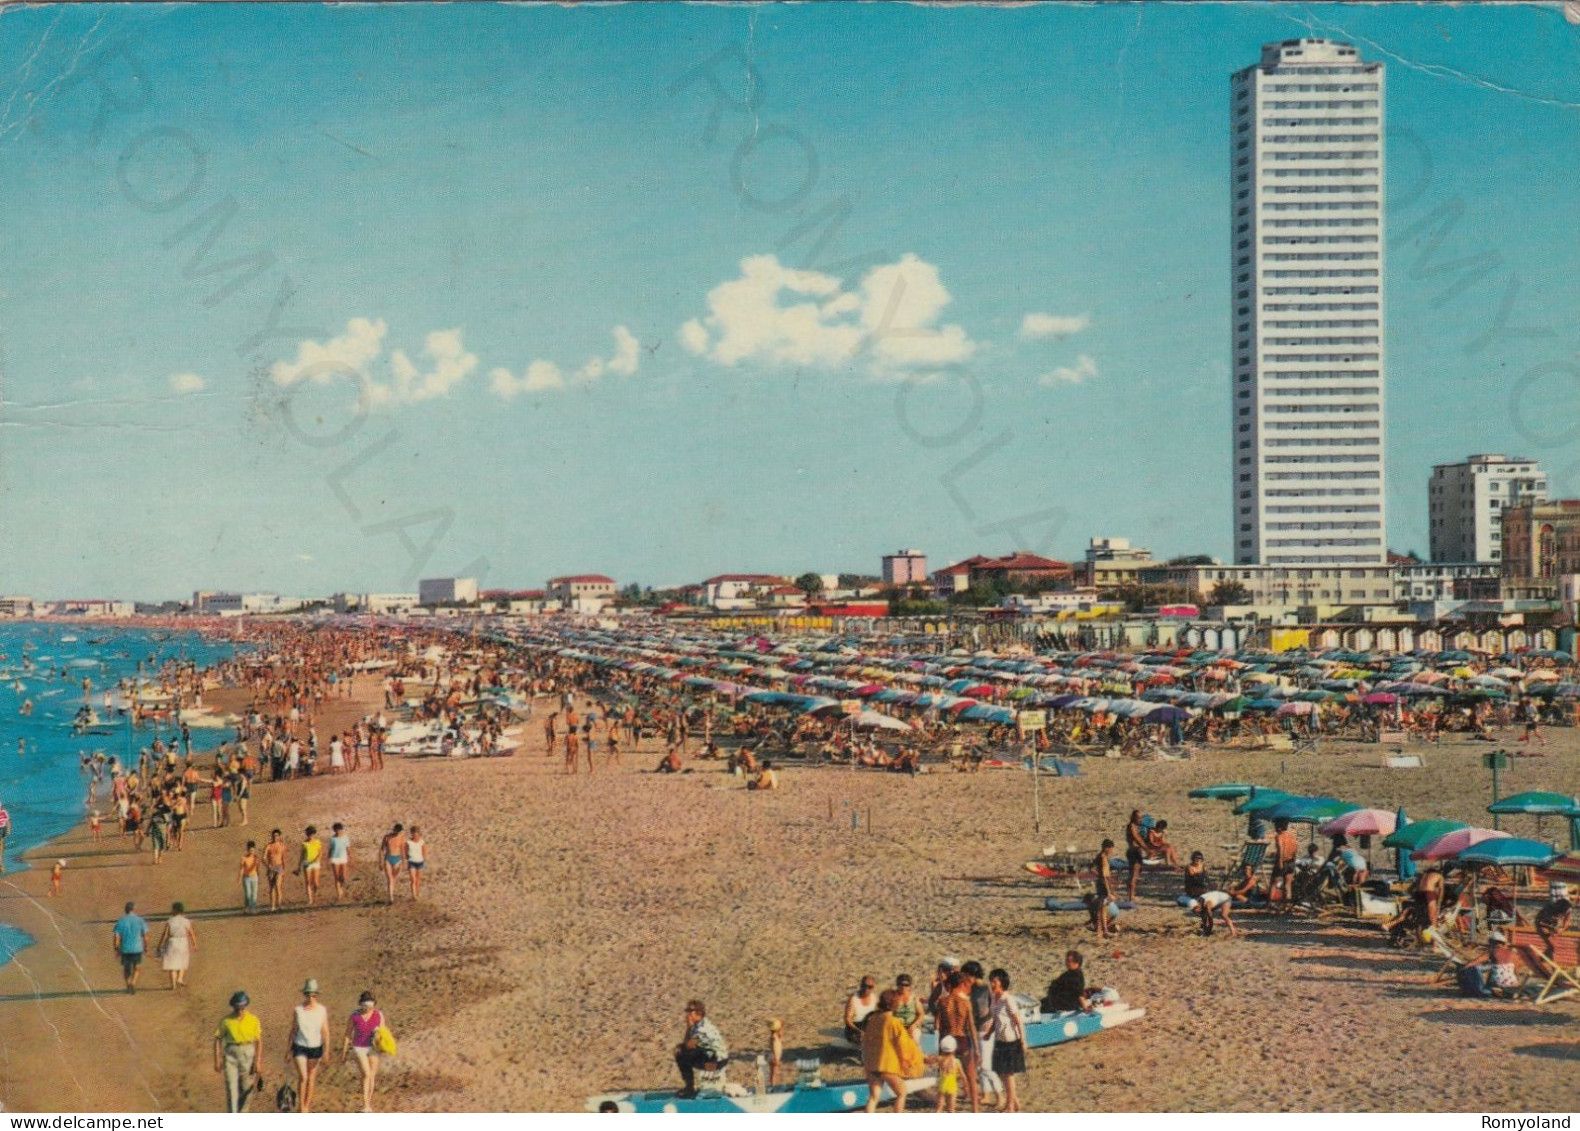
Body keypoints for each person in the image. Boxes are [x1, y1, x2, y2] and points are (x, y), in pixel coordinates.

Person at [860, 988, 925, 1113]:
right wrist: (917, 1058)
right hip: (887, 1064)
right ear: (894, 1004)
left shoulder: (873, 1019)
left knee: (873, 1097)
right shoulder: (893, 1022)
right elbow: (903, 1045)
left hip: (872, 1063)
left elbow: (866, 1041)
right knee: (901, 1092)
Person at [935, 971, 980, 1112]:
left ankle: (945, 1108)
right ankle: (975, 1109)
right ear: (961, 984)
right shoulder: (966, 1003)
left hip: (948, 1040)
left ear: (950, 985)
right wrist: (977, 1048)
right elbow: (971, 1026)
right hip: (962, 1039)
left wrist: (939, 1048)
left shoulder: (942, 1002)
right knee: (971, 1076)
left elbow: (938, 1026)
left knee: (945, 1078)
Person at [342, 991, 390, 1113]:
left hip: (373, 1047)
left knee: (371, 1076)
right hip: (359, 1047)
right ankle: (365, 1105)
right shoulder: (354, 1016)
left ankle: (367, 1104)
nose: (368, 1008)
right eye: (365, 1006)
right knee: (366, 1074)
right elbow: (347, 1034)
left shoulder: (379, 1014)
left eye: (370, 1006)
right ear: (361, 1004)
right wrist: (344, 1051)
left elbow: (383, 1032)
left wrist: (383, 1044)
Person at [986, 969, 1027, 1113]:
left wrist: (1023, 1040)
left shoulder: (1007, 999)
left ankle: (1010, 1106)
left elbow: (1017, 1020)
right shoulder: (994, 998)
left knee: (1008, 1075)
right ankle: (1014, 1101)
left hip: (1010, 1040)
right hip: (999, 1040)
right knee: (1001, 1072)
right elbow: (996, 1019)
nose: (992, 984)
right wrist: (989, 1033)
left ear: (1002, 983)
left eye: (995, 981)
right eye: (991, 980)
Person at [215, 991, 262, 1112]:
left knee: (247, 1089)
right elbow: (217, 1039)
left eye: (242, 1008)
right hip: (231, 1056)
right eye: (237, 1008)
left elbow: (259, 1041)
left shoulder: (253, 1020)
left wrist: (257, 1061)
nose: (240, 1011)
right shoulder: (226, 1021)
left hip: (248, 1055)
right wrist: (217, 1059)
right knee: (232, 1089)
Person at [673, 999, 728, 1099]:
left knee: (681, 1053)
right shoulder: (699, 1024)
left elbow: (688, 1045)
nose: (687, 1014)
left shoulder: (703, 1029)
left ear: (699, 1013)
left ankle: (689, 1088)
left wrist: (688, 1027)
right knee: (681, 1051)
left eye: (690, 1011)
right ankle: (689, 1087)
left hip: (717, 1063)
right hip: (712, 1056)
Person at [288, 979, 330, 1112]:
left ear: (316, 995)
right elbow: (294, 1030)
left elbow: (325, 1031)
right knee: (303, 1076)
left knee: (311, 1077)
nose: (311, 998)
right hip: (300, 1045)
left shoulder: (322, 1010)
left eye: (313, 995)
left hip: (315, 1047)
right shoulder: (298, 1010)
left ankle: (307, 1106)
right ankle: (301, 1107)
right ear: (304, 995)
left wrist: (326, 1051)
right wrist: (288, 1050)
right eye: (308, 995)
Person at [157, 901, 197, 990]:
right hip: (183, 941)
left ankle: (173, 985)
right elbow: (191, 933)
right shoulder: (186, 921)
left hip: (172, 942)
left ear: (174, 910)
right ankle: (180, 978)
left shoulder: (170, 921)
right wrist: (195, 944)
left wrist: (160, 945)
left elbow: (165, 934)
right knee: (182, 960)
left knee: (172, 964)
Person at [113, 900, 149, 994]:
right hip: (137, 948)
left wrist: (116, 948)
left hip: (125, 948)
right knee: (137, 967)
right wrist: (146, 946)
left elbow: (116, 936)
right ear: (133, 909)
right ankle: (133, 983)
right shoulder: (140, 920)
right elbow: (145, 935)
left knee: (126, 968)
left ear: (125, 910)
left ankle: (128, 984)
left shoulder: (121, 921)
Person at [1269, 818, 1299, 907]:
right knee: (1288, 884)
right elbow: (1295, 850)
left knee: (1274, 882)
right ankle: (1288, 904)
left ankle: (1269, 903)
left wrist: (1280, 862)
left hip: (1283, 861)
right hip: (1291, 862)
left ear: (1279, 827)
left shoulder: (1279, 836)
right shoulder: (1293, 837)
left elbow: (1281, 849)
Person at [1535, 889, 1573, 959]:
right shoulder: (1548, 909)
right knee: (1552, 946)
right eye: (1561, 914)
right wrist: (1552, 929)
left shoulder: (1568, 909)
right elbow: (1540, 922)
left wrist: (1562, 929)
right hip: (1542, 924)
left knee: (1553, 946)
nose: (1562, 916)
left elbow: (1567, 921)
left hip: (1553, 925)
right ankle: (1552, 967)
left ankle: (1542, 959)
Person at [1093, 840, 1117, 941]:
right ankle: (1100, 931)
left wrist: (1097, 876)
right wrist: (1109, 892)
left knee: (1104, 909)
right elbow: (1104, 876)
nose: (1112, 851)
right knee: (1102, 909)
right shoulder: (1103, 858)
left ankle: (1104, 931)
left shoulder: (1100, 857)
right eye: (1111, 849)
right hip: (1103, 885)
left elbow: (1092, 869)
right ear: (1107, 848)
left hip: (1101, 884)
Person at [843, 975, 878, 1044]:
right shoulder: (854, 999)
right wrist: (858, 1031)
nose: (866, 989)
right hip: (854, 1028)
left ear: (873, 987)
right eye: (864, 986)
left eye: (869, 987)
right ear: (861, 985)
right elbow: (848, 1019)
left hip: (867, 1025)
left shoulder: (874, 998)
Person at [379, 824, 407, 904]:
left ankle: (392, 894)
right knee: (390, 879)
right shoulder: (387, 837)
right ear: (394, 830)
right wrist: (380, 862)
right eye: (396, 831)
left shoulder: (401, 837)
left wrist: (404, 861)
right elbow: (381, 850)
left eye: (399, 831)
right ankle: (391, 897)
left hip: (397, 859)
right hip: (388, 858)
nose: (397, 833)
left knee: (394, 878)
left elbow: (402, 850)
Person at [933, 1035, 961, 1113]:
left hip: (942, 1086)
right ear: (955, 1048)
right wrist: (966, 1087)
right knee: (951, 1109)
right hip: (952, 1087)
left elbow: (928, 1060)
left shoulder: (940, 1059)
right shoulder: (957, 1061)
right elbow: (963, 1077)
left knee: (939, 1107)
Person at [1124, 811, 1147, 901]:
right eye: (1139, 818)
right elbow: (1137, 840)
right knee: (1133, 875)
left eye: (1141, 818)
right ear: (1134, 817)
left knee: (1135, 875)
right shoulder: (1131, 827)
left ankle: (1131, 894)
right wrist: (1148, 850)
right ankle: (1131, 896)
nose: (1140, 820)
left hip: (1136, 852)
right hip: (1133, 853)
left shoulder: (1136, 827)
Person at [296, 826, 322, 906]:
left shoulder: (317, 842)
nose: (310, 836)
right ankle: (310, 900)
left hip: (315, 863)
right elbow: (302, 855)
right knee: (308, 882)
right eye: (308, 834)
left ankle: (315, 895)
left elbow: (320, 852)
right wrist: (299, 866)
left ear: (314, 834)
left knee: (316, 882)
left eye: (311, 834)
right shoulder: (304, 843)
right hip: (307, 863)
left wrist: (317, 859)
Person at [892, 974, 923, 1039]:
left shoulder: (914, 999)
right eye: (901, 985)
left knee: (915, 1035)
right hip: (897, 1027)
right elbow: (889, 1015)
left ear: (910, 986)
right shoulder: (893, 998)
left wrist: (914, 1025)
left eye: (906, 985)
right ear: (897, 985)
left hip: (912, 1027)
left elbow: (921, 1014)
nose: (903, 987)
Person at [264, 829, 288, 912]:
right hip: (271, 867)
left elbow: (283, 858)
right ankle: (273, 906)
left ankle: (279, 905)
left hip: (279, 867)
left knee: (278, 886)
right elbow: (263, 858)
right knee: (272, 888)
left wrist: (284, 869)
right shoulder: (268, 846)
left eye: (277, 835)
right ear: (272, 836)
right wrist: (268, 866)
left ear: (279, 836)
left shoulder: (282, 846)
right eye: (274, 836)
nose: (275, 837)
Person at [328, 823, 352, 903]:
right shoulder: (332, 839)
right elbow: (330, 849)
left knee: (343, 876)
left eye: (339, 830)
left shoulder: (345, 838)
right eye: (336, 830)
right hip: (335, 858)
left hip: (343, 857)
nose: (337, 831)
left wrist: (351, 855)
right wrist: (329, 858)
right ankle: (339, 893)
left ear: (341, 829)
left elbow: (348, 848)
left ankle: (343, 887)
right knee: (337, 876)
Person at [405, 826, 428, 900]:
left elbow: (424, 851)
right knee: (413, 879)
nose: (415, 836)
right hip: (412, 862)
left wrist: (424, 860)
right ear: (412, 834)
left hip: (420, 862)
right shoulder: (408, 842)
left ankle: (417, 893)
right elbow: (406, 852)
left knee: (418, 880)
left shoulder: (421, 842)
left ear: (418, 834)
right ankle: (414, 895)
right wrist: (407, 857)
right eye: (414, 834)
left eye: (417, 834)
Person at [239, 842, 261, 914]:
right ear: (247, 849)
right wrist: (239, 878)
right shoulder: (244, 858)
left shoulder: (256, 858)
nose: (251, 851)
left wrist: (258, 876)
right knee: (248, 894)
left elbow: (257, 868)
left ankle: (252, 908)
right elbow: (241, 869)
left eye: (253, 850)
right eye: (250, 850)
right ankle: (248, 908)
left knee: (254, 893)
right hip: (246, 878)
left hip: (254, 877)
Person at [767, 1018, 784, 1086]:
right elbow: (774, 1047)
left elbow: (780, 1034)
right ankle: (772, 1085)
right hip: (774, 1056)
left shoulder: (776, 1035)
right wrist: (776, 1058)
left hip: (774, 1055)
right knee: (774, 1072)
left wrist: (781, 1026)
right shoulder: (774, 1037)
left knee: (774, 1072)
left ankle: (773, 1084)